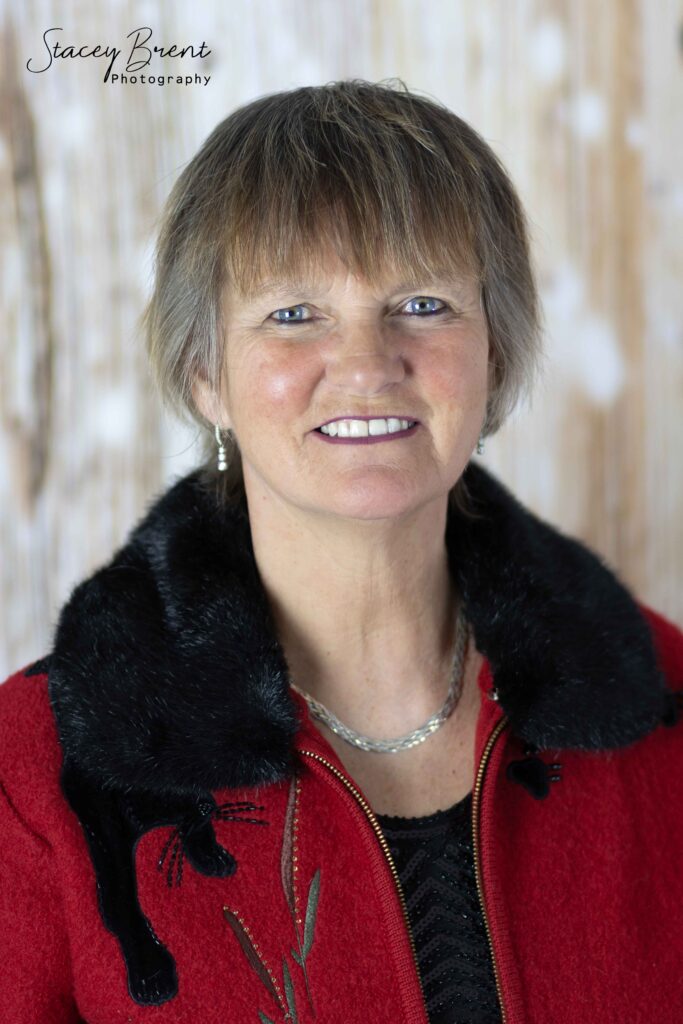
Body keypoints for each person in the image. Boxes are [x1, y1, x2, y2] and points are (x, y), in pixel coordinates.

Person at [1, 78, 682, 1024]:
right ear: (206, 373)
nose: (366, 364)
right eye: (293, 313)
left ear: (494, 355)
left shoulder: (661, 701)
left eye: (423, 302)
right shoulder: (36, 771)